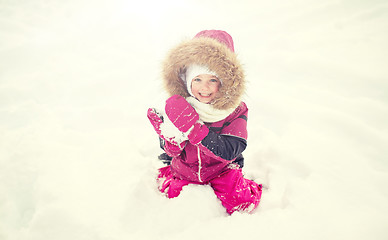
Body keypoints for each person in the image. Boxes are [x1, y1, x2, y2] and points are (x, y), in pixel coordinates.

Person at [147, 30, 262, 214]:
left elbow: (232, 148)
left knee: (240, 202)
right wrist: (170, 140)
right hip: (186, 169)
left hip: (222, 170)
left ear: (224, 82)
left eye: (213, 80)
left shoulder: (235, 110)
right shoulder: (179, 106)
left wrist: (195, 131)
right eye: (198, 79)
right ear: (187, 81)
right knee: (173, 201)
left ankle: (251, 187)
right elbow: (171, 151)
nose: (204, 87)